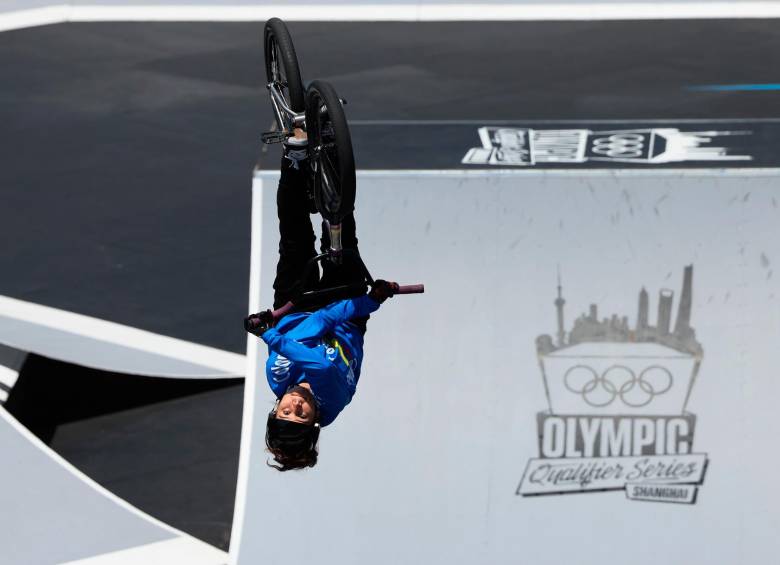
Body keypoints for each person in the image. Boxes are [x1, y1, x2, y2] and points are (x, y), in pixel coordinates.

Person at [244, 130, 398, 471]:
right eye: (301, 415)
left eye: (285, 411)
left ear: (275, 409)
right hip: (344, 316)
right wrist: (266, 333)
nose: (295, 406)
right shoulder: (332, 392)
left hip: (294, 309)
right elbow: (321, 328)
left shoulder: (277, 378)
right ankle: (332, 166)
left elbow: (304, 329)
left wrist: (273, 323)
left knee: (294, 238)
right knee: (340, 234)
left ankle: (294, 159)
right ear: (315, 420)